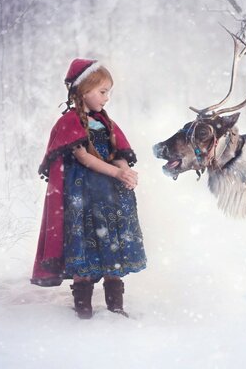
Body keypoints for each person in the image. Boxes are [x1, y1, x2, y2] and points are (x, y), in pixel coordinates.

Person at [31, 58, 147, 319]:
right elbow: (84, 158)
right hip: (83, 197)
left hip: (110, 198)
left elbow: (119, 151)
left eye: (109, 92)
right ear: (83, 90)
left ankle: (115, 304)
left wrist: (125, 172)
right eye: (102, 91)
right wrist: (117, 171)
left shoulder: (105, 122)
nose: (107, 98)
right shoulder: (70, 122)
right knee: (84, 243)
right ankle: (83, 303)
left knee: (112, 242)